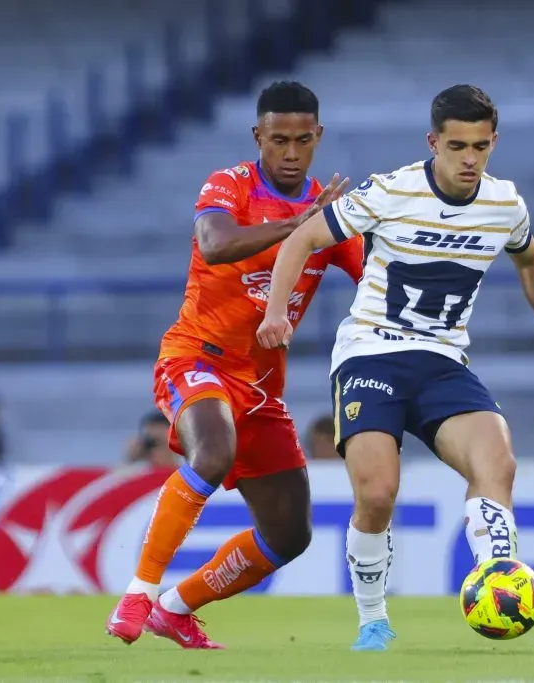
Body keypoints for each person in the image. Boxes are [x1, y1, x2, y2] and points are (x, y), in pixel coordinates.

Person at [258, 84, 534, 651]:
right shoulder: (390, 192)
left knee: (498, 462)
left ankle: (505, 582)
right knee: (378, 492)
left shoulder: (504, 204)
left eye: (481, 147)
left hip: (442, 361)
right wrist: (275, 313)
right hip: (372, 353)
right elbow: (304, 239)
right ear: (433, 141)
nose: (470, 159)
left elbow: (531, 260)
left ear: (493, 144)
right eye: (458, 146)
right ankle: (372, 619)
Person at [106, 81, 363, 649]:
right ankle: (139, 591)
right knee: (213, 451)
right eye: (278, 140)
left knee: (289, 533)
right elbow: (216, 244)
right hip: (195, 357)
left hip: (264, 388)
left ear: (317, 137)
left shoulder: (333, 213)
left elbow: (374, 278)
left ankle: (173, 609)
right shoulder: (230, 184)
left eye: (302, 141)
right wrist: (303, 226)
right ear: (258, 137)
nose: (290, 153)